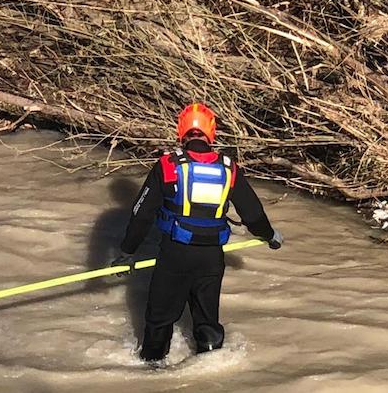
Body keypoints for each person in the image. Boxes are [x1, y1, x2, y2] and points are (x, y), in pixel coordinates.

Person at [112, 102, 283, 363]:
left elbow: (141, 213)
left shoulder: (168, 166)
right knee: (207, 321)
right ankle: (210, 365)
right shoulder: (229, 167)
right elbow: (252, 213)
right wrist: (269, 235)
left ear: (181, 133)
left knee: (160, 320)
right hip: (211, 258)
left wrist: (127, 251)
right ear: (211, 133)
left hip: (175, 255)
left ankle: (152, 372)